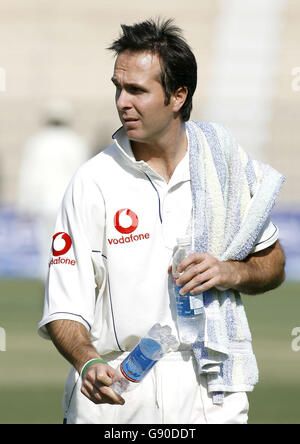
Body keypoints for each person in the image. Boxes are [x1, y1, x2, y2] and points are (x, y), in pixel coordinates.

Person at [38, 19, 285, 424]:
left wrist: (229, 272)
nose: (121, 101)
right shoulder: (92, 181)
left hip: (213, 391)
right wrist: (87, 363)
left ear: (178, 95)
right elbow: (63, 310)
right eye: (118, 87)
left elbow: (273, 264)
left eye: (137, 90)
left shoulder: (222, 163)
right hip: (118, 396)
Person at [17, 99, 90, 280]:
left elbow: (29, 175)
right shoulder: (75, 141)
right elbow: (83, 175)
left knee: (46, 247)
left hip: (44, 203)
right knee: (68, 247)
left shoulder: (37, 142)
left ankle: (49, 285)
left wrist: (24, 204)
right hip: (68, 203)